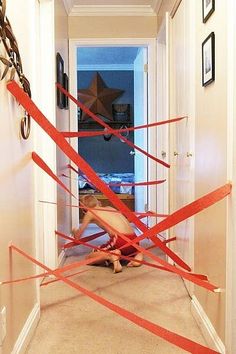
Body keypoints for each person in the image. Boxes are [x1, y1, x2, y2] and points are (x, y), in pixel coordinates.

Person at [72, 194, 143, 273]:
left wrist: (75, 232)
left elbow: (78, 237)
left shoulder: (90, 213)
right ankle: (137, 254)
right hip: (135, 240)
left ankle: (111, 256)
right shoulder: (110, 208)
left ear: (85, 209)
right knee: (124, 248)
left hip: (120, 240)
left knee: (90, 257)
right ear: (99, 203)